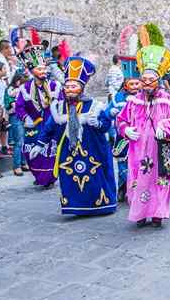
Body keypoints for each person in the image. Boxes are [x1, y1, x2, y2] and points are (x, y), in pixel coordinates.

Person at [31, 57, 117, 215]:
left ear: (81, 87)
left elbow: (105, 125)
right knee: (70, 178)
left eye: (74, 86)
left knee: (94, 177)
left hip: (93, 149)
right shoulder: (58, 107)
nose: (69, 89)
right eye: (67, 86)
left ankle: (99, 207)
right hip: (68, 151)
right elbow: (50, 127)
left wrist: (99, 122)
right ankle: (76, 206)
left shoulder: (94, 105)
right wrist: (39, 144)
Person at [116, 45, 170, 228]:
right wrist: (126, 130)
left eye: (151, 80)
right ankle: (139, 214)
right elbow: (121, 120)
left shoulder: (168, 100)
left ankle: (157, 213)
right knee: (137, 180)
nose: (146, 83)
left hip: (161, 148)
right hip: (138, 149)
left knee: (160, 181)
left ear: (158, 80)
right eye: (143, 79)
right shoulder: (133, 101)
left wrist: (166, 125)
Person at [16, 45, 62, 188]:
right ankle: (38, 175)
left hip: (51, 124)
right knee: (32, 154)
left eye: (44, 69)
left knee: (50, 153)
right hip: (34, 125)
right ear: (32, 71)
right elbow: (19, 106)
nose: (43, 71)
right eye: (39, 69)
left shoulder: (55, 86)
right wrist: (26, 119)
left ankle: (49, 177)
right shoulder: (25, 88)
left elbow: (61, 103)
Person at [105, 56, 141, 202]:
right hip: (123, 137)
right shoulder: (118, 97)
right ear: (125, 85)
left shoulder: (145, 97)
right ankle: (123, 187)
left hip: (140, 137)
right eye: (131, 84)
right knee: (123, 164)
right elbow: (107, 114)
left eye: (137, 83)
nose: (134, 86)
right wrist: (110, 113)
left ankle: (139, 189)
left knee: (140, 164)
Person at [5, 69, 29, 176]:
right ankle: (17, 166)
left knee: (23, 141)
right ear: (18, 81)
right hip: (15, 116)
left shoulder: (19, 90)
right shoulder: (11, 90)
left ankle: (23, 163)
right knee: (18, 142)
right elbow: (13, 106)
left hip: (23, 116)